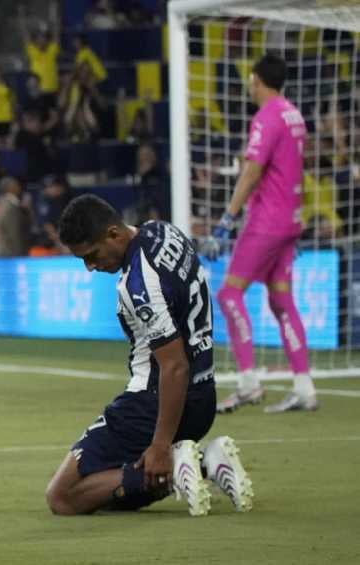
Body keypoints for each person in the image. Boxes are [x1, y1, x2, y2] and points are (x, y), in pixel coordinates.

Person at [46, 194, 253, 516]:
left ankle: (181, 464)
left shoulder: (139, 283)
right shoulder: (164, 232)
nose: (90, 267)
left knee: (64, 496)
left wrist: (159, 446)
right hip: (203, 399)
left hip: (155, 404)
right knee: (114, 496)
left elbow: (174, 367)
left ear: (113, 234)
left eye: (91, 255)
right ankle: (204, 465)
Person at [201, 54, 316, 414]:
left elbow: (252, 172)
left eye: (250, 79)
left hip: (266, 222)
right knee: (281, 300)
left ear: (256, 80)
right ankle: (304, 386)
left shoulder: (266, 117)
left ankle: (249, 383)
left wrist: (226, 219)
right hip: (290, 220)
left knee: (229, 294)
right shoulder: (293, 114)